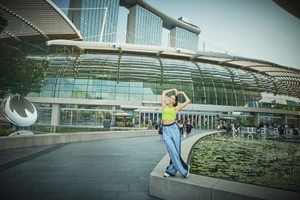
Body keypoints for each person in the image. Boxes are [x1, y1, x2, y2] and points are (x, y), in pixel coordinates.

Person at [161, 88, 190, 178]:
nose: (170, 99)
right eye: (170, 98)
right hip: (165, 130)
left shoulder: (176, 108)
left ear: (174, 102)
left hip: (174, 129)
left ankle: (171, 171)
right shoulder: (164, 106)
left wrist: (182, 93)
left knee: (176, 151)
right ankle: (184, 168)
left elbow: (188, 101)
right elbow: (163, 92)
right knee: (171, 150)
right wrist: (173, 90)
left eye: (173, 99)